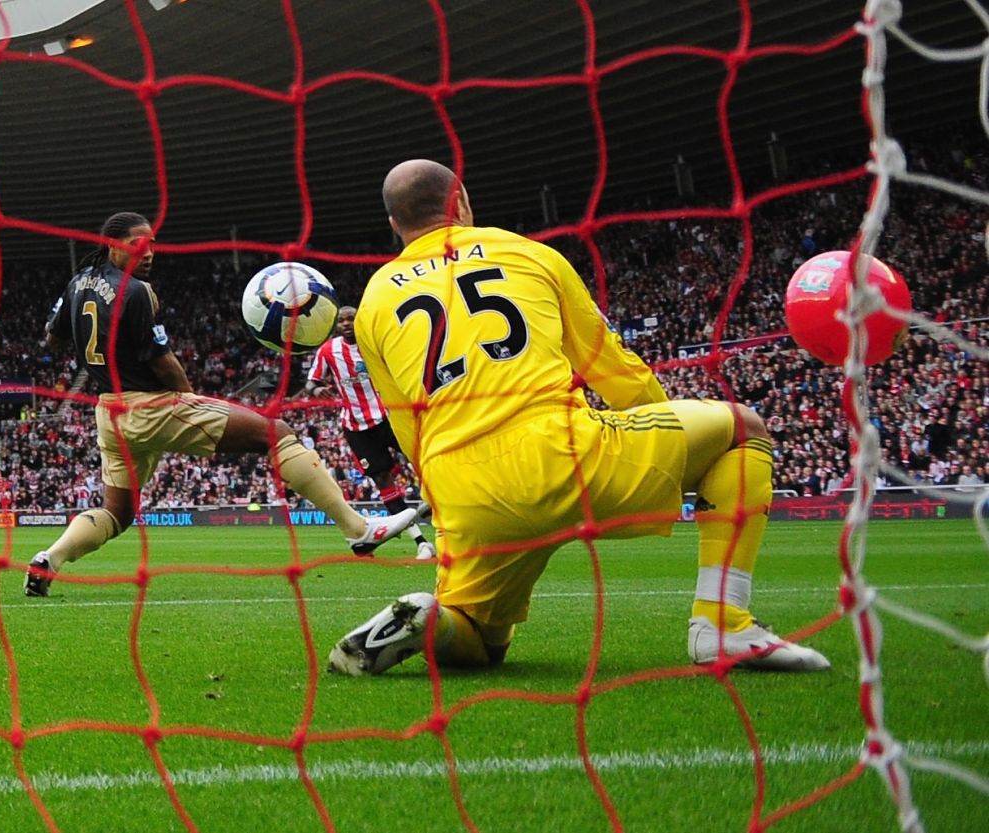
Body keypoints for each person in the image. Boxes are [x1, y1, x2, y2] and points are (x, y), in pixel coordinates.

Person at [327, 160, 829, 675]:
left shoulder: (372, 304)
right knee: (741, 429)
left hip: (465, 489)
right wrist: (669, 446)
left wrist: (449, 507)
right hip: (566, 453)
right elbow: (613, 369)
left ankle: (432, 621)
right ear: (461, 202)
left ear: (394, 225)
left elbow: (409, 428)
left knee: (480, 642)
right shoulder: (529, 254)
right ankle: (722, 622)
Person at [24, 212, 420, 597]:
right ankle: (358, 531)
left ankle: (50, 558)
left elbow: (52, 339)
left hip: (109, 413)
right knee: (276, 433)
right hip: (150, 406)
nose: (148, 253)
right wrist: (189, 398)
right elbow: (161, 358)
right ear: (113, 246)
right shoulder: (137, 291)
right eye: (137, 245)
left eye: (152, 245)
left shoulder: (78, 283)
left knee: (117, 514)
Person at [307, 304, 437, 560]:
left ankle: (437, 502)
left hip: (389, 416)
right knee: (382, 480)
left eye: (350, 320)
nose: (346, 324)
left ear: (359, 321)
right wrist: (316, 391)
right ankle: (421, 542)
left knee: (424, 459)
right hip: (356, 427)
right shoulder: (328, 351)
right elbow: (312, 381)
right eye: (341, 321)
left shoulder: (374, 343)